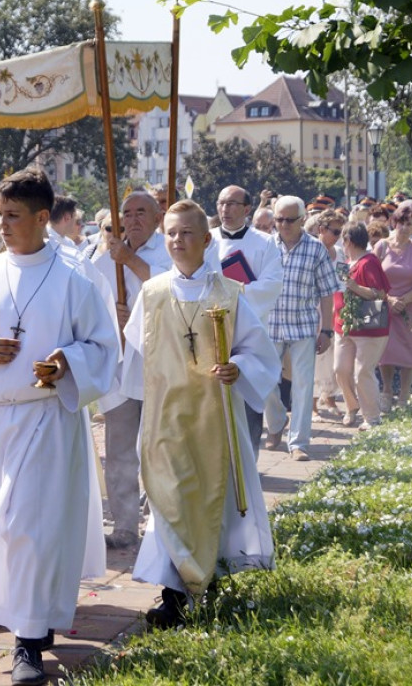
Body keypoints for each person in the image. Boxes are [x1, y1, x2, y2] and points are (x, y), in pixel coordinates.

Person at [0, 169, 119, 686]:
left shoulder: (74, 280)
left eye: (12, 216)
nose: (1, 225)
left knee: (28, 528)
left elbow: (104, 347)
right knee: (2, 526)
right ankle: (28, 613)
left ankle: (29, 642)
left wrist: (66, 363)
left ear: (42, 218)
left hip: (45, 420)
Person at [123, 200, 278, 628]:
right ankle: (173, 595)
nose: (177, 240)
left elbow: (257, 351)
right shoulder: (152, 293)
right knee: (169, 498)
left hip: (214, 415)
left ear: (207, 240)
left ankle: (208, 579)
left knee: (210, 498)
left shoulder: (229, 293)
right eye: (171, 233)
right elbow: (138, 352)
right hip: (166, 415)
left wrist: (238, 367)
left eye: (187, 233)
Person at [90, 190, 171, 549]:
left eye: (141, 212)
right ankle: (124, 525)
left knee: (158, 447)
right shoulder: (103, 260)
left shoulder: (169, 251)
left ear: (157, 218)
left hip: (157, 364)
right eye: (127, 213)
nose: (133, 219)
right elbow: (91, 308)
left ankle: (162, 521)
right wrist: (115, 318)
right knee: (120, 449)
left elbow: (171, 292)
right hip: (121, 366)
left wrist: (131, 261)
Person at [206, 185, 283, 457]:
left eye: (232, 204)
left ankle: (249, 461)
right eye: (221, 203)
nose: (225, 209)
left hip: (248, 334)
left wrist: (233, 293)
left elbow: (272, 284)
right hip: (209, 330)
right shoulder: (206, 241)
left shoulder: (265, 243)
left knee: (248, 395)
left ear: (247, 209)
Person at [264, 196, 341, 462]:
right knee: (264, 380)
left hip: (303, 326)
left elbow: (328, 292)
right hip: (270, 325)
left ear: (302, 220)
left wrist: (327, 330)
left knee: (303, 385)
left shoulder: (316, 249)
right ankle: (276, 422)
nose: (284, 225)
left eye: (289, 220)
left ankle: (298, 443)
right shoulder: (266, 246)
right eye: (279, 219)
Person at [333, 222, 390, 433]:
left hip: (368, 327)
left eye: (342, 238)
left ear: (348, 240)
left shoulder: (369, 262)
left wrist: (355, 287)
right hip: (344, 325)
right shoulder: (347, 262)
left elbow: (380, 293)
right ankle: (352, 405)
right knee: (340, 369)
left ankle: (372, 417)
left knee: (363, 372)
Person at [375, 201, 412, 410]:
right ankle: (387, 391)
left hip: (411, 307)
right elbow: (373, 279)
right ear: (394, 223)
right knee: (386, 350)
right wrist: (390, 300)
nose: (404, 228)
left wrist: (403, 300)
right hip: (386, 305)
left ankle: (404, 394)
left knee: (410, 350)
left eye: (409, 224)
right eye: (401, 223)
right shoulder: (381, 246)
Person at [313, 209, 348, 416]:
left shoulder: (340, 252)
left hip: (336, 308)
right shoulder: (312, 249)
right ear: (321, 229)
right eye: (334, 232)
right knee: (316, 357)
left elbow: (343, 280)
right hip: (315, 308)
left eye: (340, 232)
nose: (338, 236)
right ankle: (312, 406)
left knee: (333, 356)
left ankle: (330, 398)